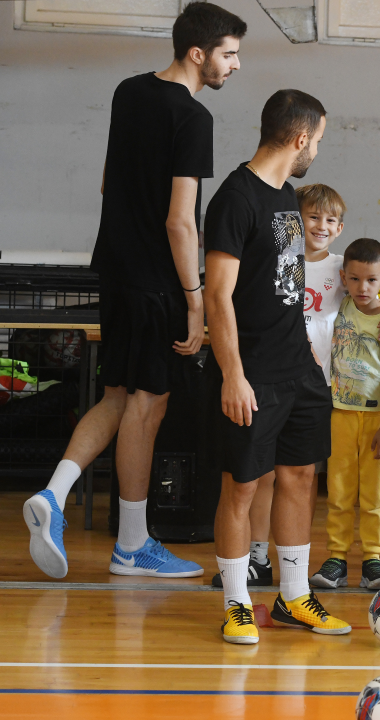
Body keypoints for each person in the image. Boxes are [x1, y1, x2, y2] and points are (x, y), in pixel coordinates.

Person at [23, 2, 246, 580]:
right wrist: (194, 299)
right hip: (157, 283)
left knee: (118, 395)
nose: (235, 65)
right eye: (229, 54)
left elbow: (107, 182)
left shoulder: (128, 91)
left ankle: (53, 493)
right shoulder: (194, 119)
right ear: (197, 53)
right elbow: (180, 221)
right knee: (147, 406)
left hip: (115, 270)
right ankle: (131, 546)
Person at [204, 89, 350, 644]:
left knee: (299, 478)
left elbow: (288, 281)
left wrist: (307, 353)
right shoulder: (234, 199)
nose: (317, 149)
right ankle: (236, 603)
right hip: (252, 374)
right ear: (300, 138)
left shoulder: (289, 196)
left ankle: (293, 597)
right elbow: (218, 296)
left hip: (299, 370)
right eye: (318, 139)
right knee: (242, 488)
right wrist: (233, 374)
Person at [210, 184, 380, 589]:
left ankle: (306, 567)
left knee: (303, 477)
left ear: (340, 228)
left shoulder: (341, 267)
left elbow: (373, 294)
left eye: (330, 220)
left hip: (324, 386)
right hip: (276, 374)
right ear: (295, 221)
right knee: (260, 475)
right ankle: (257, 556)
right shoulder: (284, 260)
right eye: (312, 217)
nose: (321, 225)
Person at [309, 239, 380, 590]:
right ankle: (337, 557)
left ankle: (373, 559)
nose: (363, 287)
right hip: (340, 415)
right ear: (344, 278)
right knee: (339, 492)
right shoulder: (341, 306)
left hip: (379, 421)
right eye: (356, 279)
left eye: (372, 280)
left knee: (375, 496)